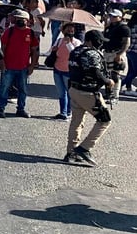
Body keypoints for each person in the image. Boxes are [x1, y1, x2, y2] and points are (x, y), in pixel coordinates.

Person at [65, 30, 115, 166]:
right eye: (99, 42)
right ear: (90, 41)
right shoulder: (91, 53)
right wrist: (108, 81)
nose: (100, 45)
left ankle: (71, 152)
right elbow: (95, 71)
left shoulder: (76, 51)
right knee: (104, 120)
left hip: (74, 89)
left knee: (77, 121)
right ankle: (84, 148)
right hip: (88, 92)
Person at [0, 9, 39, 118]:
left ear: (27, 20)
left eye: (23, 19)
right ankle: (1, 109)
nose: (20, 21)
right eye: (18, 19)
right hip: (8, 66)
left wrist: (32, 65)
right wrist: (2, 63)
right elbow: (2, 48)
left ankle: (21, 109)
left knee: (23, 90)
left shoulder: (31, 33)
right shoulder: (9, 31)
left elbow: (35, 51)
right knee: (4, 88)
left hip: (24, 67)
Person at [46, 23, 82, 120]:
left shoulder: (77, 43)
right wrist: (53, 50)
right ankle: (63, 112)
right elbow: (51, 52)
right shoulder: (59, 41)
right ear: (63, 31)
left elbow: (75, 54)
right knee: (61, 93)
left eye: (72, 31)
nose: (69, 33)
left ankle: (69, 112)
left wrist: (68, 44)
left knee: (69, 93)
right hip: (58, 70)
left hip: (69, 72)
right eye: (68, 31)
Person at [102, 9, 129, 105]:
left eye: (114, 16)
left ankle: (115, 96)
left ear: (120, 17)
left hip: (116, 53)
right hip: (107, 52)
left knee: (115, 75)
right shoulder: (110, 26)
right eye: (111, 16)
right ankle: (108, 93)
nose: (112, 18)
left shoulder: (124, 28)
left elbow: (126, 43)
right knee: (107, 74)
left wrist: (120, 54)